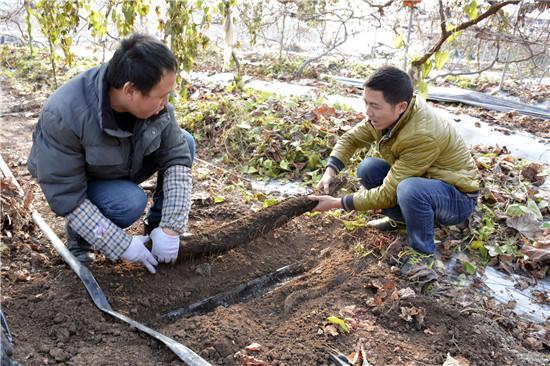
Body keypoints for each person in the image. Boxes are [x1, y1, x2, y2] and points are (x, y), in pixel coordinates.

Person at [28, 33, 195, 273]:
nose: (165, 102)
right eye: (161, 95)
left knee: (185, 142)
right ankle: (81, 240)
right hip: (84, 182)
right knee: (128, 203)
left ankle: (156, 231)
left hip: (123, 161)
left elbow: (177, 157)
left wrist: (171, 228)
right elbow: (67, 196)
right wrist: (120, 244)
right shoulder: (64, 114)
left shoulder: (156, 105)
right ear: (130, 90)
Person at [309, 66, 479, 266]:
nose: (368, 112)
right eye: (366, 103)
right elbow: (351, 139)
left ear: (400, 107)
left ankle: (423, 252)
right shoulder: (387, 119)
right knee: (367, 168)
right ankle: (400, 220)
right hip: (426, 181)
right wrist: (330, 171)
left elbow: (388, 194)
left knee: (410, 190)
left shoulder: (422, 134)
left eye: (375, 106)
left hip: (456, 198)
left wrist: (338, 203)